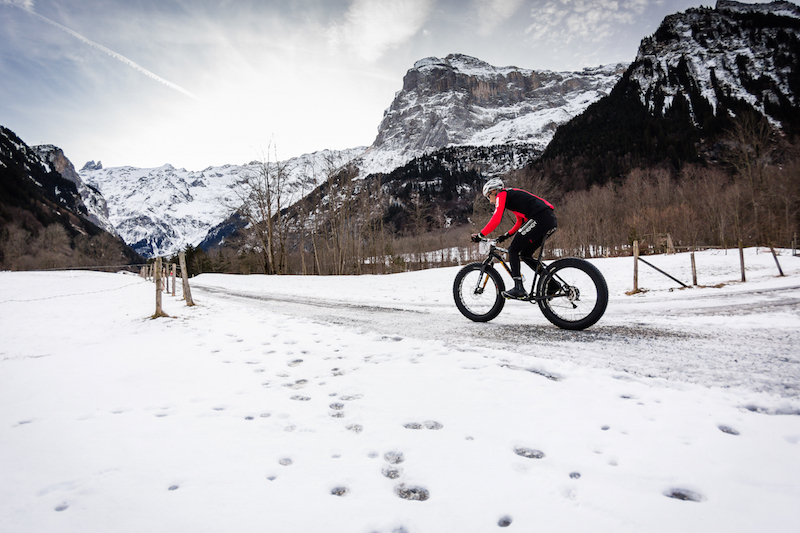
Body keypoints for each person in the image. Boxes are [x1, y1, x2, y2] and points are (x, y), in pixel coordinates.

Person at [471, 178, 557, 299]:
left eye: (488, 196)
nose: (490, 201)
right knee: (525, 254)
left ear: (493, 191)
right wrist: (506, 235)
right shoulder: (511, 197)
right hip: (548, 220)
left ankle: (519, 288)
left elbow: (496, 218)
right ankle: (552, 284)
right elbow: (520, 221)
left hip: (540, 218)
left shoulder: (502, 194)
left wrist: (481, 235)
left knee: (513, 250)